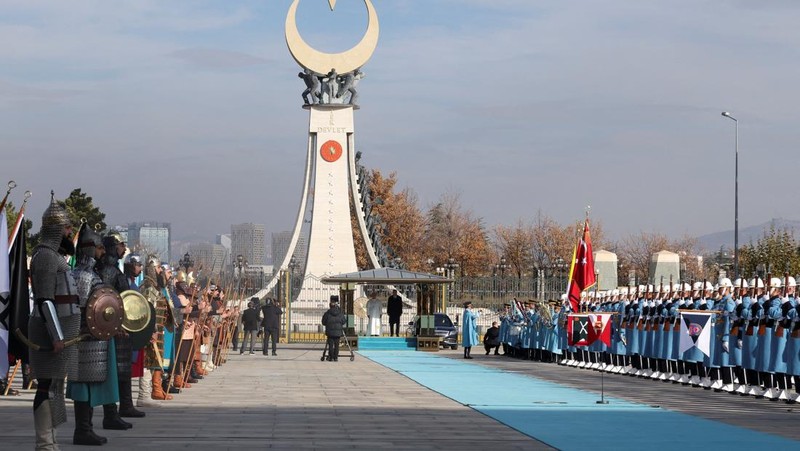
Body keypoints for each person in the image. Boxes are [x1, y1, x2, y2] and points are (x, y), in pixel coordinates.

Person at [28, 193, 81, 449]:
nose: (71, 232)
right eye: (67, 227)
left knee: (54, 386)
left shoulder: (55, 255)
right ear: (57, 230)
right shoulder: (46, 256)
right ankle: (44, 444)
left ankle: (51, 441)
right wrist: (57, 335)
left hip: (58, 327)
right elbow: (45, 300)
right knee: (46, 386)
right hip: (48, 329)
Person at [322, 296, 346, 362]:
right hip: (338, 332)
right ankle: (336, 357)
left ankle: (331, 357)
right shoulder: (340, 313)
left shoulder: (327, 313)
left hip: (330, 332)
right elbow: (344, 321)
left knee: (330, 345)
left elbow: (323, 322)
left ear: (330, 306)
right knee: (337, 345)